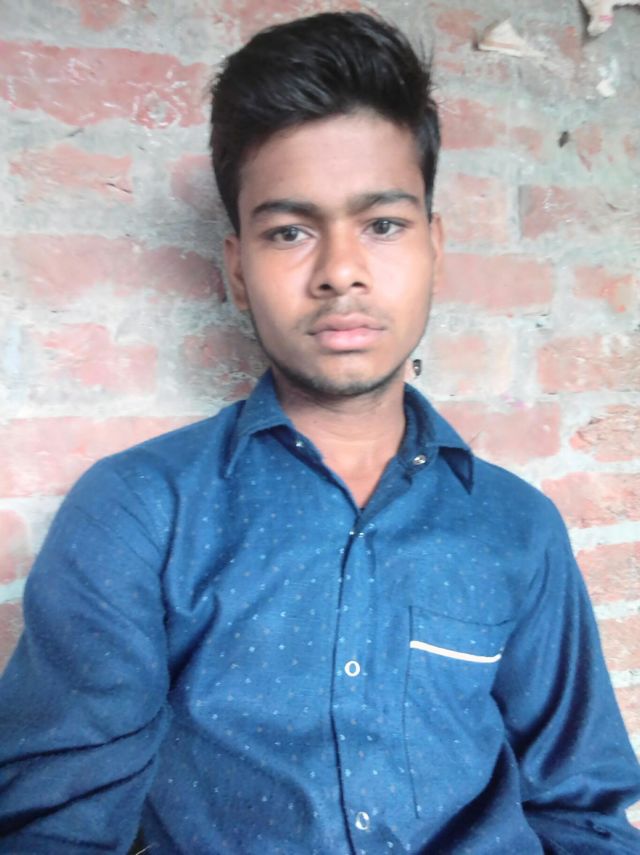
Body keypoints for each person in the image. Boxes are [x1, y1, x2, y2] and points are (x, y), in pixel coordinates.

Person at [0, 11, 639, 855]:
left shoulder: (518, 527)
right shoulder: (138, 511)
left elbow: (584, 812)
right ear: (237, 268)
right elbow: (58, 827)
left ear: (435, 247)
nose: (340, 270)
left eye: (383, 224)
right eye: (290, 231)